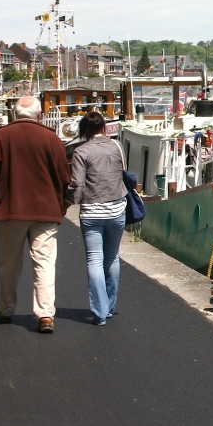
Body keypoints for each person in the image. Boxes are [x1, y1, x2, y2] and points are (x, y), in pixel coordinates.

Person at [0, 96, 70, 334]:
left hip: (10, 209)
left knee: (8, 264)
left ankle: (7, 308)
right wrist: (60, 203)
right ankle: (45, 314)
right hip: (45, 210)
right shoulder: (51, 138)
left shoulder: (1, 136)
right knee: (44, 263)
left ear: (15, 114)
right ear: (39, 114)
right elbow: (63, 176)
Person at [65, 112, 127, 325]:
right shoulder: (116, 147)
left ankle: (99, 313)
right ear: (103, 128)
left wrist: (67, 201)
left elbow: (78, 185)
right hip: (117, 209)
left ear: (84, 130)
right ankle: (109, 307)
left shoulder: (81, 151)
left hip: (92, 212)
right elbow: (122, 173)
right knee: (112, 257)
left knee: (94, 260)